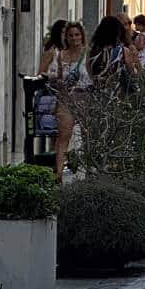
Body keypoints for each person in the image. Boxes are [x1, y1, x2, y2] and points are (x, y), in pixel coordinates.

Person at [38, 21, 89, 181]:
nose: (74, 38)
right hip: (66, 98)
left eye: (77, 35)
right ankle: (58, 173)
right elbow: (59, 75)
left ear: (82, 36)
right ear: (66, 37)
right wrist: (54, 79)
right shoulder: (62, 55)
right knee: (63, 135)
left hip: (85, 97)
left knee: (88, 135)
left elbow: (94, 75)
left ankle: (88, 171)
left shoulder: (89, 54)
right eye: (71, 35)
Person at [88, 16, 139, 81]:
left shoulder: (91, 51)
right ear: (117, 32)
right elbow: (134, 74)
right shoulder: (122, 51)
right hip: (116, 89)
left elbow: (89, 74)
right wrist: (136, 60)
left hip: (96, 89)